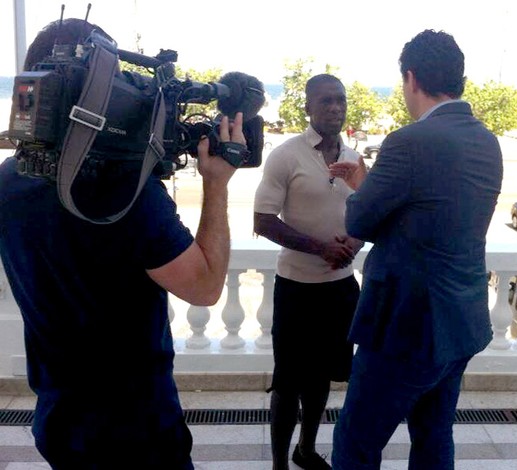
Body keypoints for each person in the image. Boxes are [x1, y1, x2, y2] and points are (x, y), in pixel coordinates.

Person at [0, 18, 246, 470]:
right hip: (136, 430)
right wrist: (217, 184)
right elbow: (206, 287)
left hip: (58, 420)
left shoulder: (8, 183)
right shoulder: (125, 196)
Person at [329, 29, 503, 469]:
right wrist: (369, 185)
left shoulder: (408, 142)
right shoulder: (487, 141)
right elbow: (434, 216)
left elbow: (359, 222)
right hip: (460, 321)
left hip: (406, 327)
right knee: (433, 435)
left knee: (356, 443)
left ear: (410, 78)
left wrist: (359, 191)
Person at [253, 74, 363, 470]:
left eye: (341, 100)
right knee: (287, 383)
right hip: (297, 289)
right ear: (308, 107)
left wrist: (355, 243)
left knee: (323, 378)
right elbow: (263, 221)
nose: (335, 107)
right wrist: (320, 247)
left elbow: (364, 213)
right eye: (326, 101)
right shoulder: (286, 155)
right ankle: (279, 463)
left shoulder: (353, 158)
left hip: (340, 287)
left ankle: (306, 450)